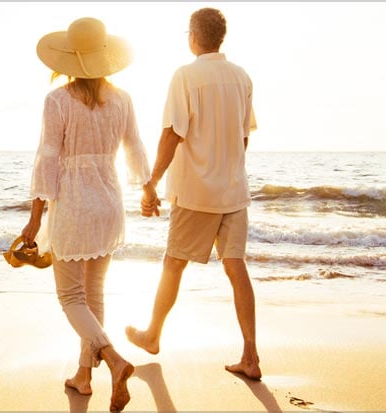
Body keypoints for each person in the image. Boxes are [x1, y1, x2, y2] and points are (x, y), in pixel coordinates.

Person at [21, 16, 151, 412]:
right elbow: (134, 146)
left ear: (69, 58)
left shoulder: (58, 100)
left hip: (75, 204)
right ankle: (83, 375)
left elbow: (48, 157)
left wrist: (35, 217)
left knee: (71, 296)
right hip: (109, 201)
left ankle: (112, 359)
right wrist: (147, 188)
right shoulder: (122, 99)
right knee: (94, 293)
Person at [125, 7, 262, 380]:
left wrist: (152, 182)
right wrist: (230, 170)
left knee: (174, 263)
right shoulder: (242, 77)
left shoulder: (185, 76)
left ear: (194, 36)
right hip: (234, 191)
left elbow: (172, 134)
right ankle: (250, 355)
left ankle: (153, 335)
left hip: (197, 192)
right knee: (236, 267)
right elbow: (243, 137)